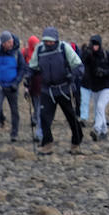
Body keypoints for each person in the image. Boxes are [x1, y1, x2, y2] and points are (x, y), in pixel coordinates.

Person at [29, 27, 84, 155]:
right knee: (44, 117)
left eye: (51, 41)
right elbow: (32, 67)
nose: (48, 43)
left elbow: (79, 66)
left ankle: (76, 143)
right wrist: (28, 77)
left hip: (64, 88)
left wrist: (72, 74)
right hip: (47, 90)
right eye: (46, 41)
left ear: (56, 40)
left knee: (71, 117)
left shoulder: (64, 48)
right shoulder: (39, 49)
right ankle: (47, 144)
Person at [81, 35, 109, 141]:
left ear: (100, 45)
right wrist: (86, 54)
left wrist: (104, 72)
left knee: (100, 106)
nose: (94, 46)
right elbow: (81, 63)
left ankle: (96, 129)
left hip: (107, 87)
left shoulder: (106, 55)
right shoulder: (89, 55)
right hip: (94, 87)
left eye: (96, 44)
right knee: (99, 109)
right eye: (93, 44)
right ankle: (104, 131)